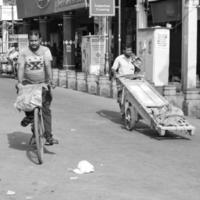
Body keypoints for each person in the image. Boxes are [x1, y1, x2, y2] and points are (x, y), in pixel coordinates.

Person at [16, 30, 58, 145]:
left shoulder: (45, 51)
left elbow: (48, 66)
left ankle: (48, 136)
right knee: (25, 101)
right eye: (31, 40)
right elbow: (20, 67)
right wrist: (19, 82)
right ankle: (31, 120)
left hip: (43, 83)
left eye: (35, 40)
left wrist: (50, 80)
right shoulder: (24, 52)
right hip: (28, 83)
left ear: (40, 40)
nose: (33, 43)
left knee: (46, 110)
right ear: (28, 40)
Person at [111, 44, 143, 118]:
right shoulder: (119, 58)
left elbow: (139, 66)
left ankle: (131, 111)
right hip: (121, 80)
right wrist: (115, 74)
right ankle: (122, 112)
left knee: (133, 97)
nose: (129, 52)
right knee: (121, 97)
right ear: (124, 51)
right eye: (128, 50)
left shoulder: (133, 58)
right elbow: (113, 68)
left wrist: (135, 59)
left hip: (131, 80)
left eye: (130, 50)